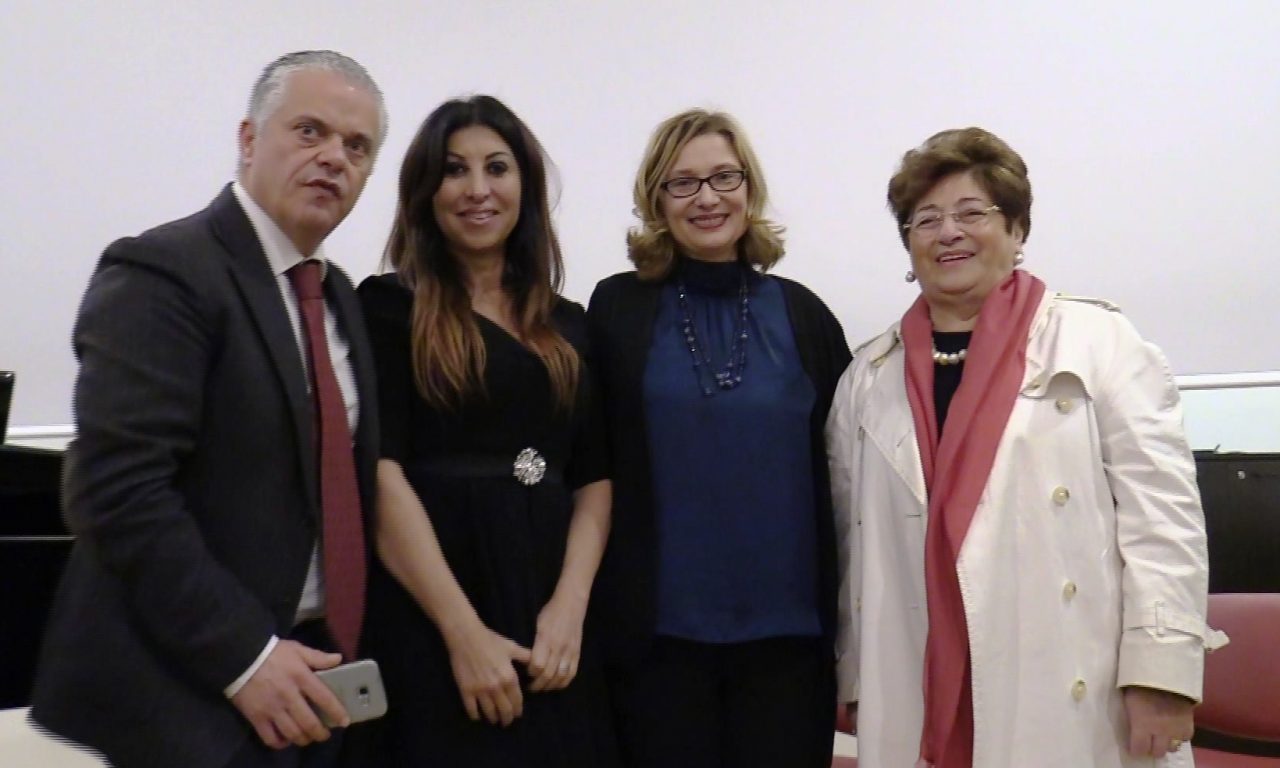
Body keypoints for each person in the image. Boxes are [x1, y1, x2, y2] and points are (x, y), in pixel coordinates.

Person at [29, 51, 386, 768]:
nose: (333, 158)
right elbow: (116, 492)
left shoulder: (339, 295)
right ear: (248, 139)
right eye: (310, 131)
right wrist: (246, 658)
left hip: (313, 677)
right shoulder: (164, 270)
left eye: (357, 147)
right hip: (192, 694)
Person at [826, 126, 1214, 767]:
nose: (948, 233)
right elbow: (852, 548)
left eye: (971, 213)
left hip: (1076, 678)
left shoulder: (1098, 340)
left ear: (1016, 229)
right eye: (927, 220)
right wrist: (859, 679)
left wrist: (1162, 672)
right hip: (916, 679)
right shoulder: (867, 375)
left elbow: (1163, 518)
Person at [355, 95, 617, 767]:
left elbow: (593, 478)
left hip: (551, 612)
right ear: (425, 191)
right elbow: (381, 476)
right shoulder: (387, 309)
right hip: (437, 609)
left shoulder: (568, 323)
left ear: (525, 186)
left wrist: (570, 608)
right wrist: (462, 632)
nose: (478, 189)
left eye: (497, 168)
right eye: (454, 170)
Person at [587, 108, 850, 767]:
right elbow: (592, 462)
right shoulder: (617, 310)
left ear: (749, 188)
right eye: (683, 183)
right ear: (657, 199)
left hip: (789, 646)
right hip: (657, 645)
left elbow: (847, 476)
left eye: (724, 177)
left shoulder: (804, 315)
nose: (707, 197)